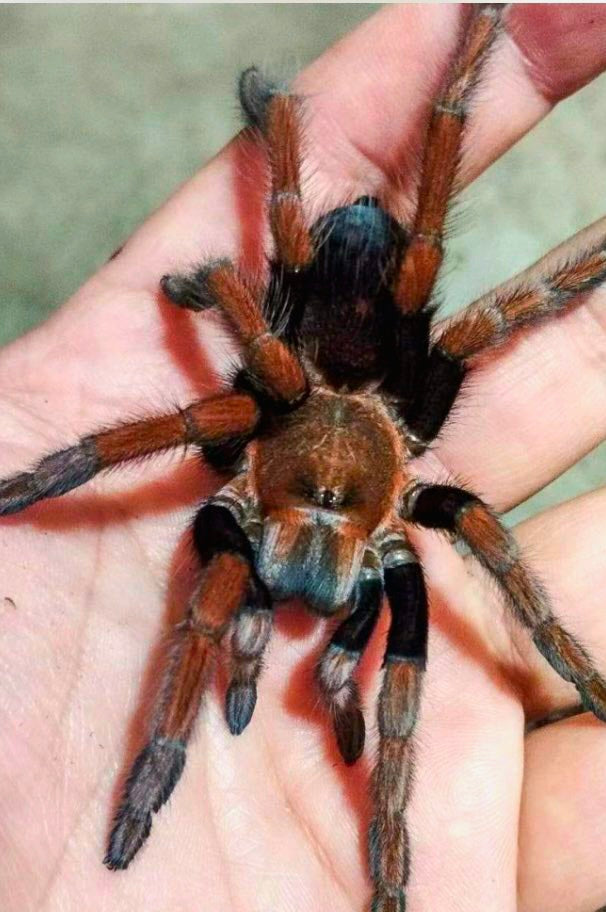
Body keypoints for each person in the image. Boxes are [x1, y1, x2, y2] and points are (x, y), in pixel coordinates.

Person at [2, 5, 606, 911]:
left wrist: (557, 645)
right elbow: (225, 306)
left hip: (349, 388)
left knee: (454, 300)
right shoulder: (261, 409)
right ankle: (156, 767)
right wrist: (42, 478)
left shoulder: (312, 424)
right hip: (316, 384)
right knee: (359, 322)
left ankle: (391, 856)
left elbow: (242, 301)